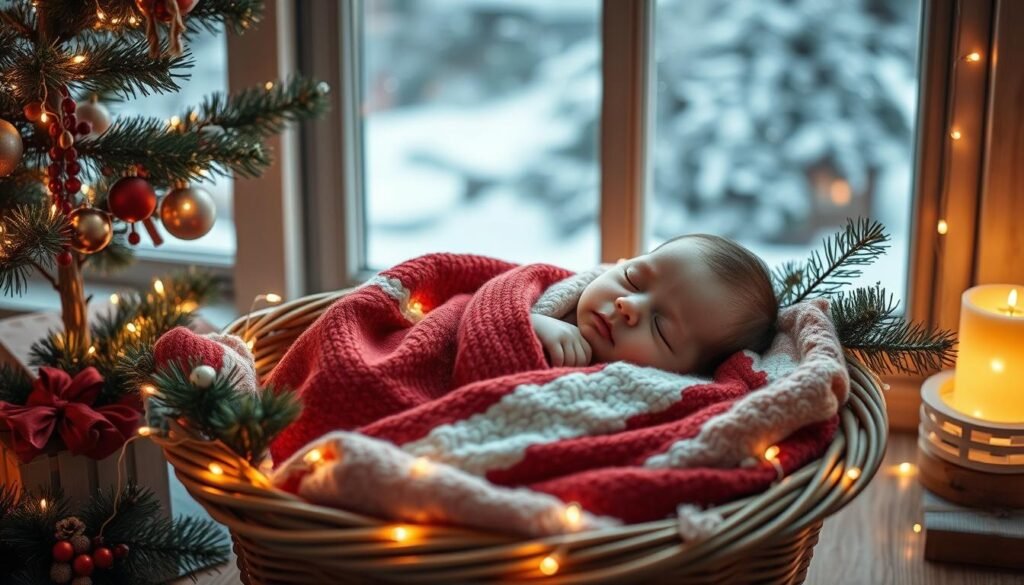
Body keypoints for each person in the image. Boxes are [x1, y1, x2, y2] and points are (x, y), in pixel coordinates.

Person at [530, 234, 778, 374]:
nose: (628, 305)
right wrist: (529, 324)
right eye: (632, 279)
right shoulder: (541, 290)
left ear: (686, 374)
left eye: (660, 328)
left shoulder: (638, 397)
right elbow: (493, 307)